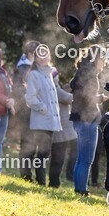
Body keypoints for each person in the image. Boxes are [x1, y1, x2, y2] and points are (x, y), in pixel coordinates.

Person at [23, 44, 61, 185]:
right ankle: (34, 179)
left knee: (44, 154)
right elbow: (30, 98)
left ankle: (40, 181)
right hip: (40, 120)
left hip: (50, 121)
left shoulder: (50, 74)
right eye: (41, 55)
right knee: (36, 152)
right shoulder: (34, 74)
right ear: (37, 58)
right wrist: (44, 109)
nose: (44, 57)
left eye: (46, 54)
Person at [70, 47, 106, 195]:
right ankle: (82, 190)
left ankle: (79, 188)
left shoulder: (82, 71)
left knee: (81, 158)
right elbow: (89, 98)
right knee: (87, 160)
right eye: (103, 59)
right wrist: (103, 98)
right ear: (96, 59)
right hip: (87, 119)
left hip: (79, 118)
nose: (104, 63)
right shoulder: (90, 75)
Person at [12, 40, 38, 179]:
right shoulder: (23, 67)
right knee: (27, 141)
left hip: (34, 110)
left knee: (32, 142)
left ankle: (28, 172)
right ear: (30, 53)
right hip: (26, 110)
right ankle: (25, 173)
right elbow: (18, 87)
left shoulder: (34, 67)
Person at [49, 74, 76, 188]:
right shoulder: (55, 89)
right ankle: (54, 183)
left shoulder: (55, 88)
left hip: (61, 128)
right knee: (58, 158)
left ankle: (54, 182)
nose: (58, 77)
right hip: (62, 129)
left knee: (58, 157)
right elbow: (70, 98)